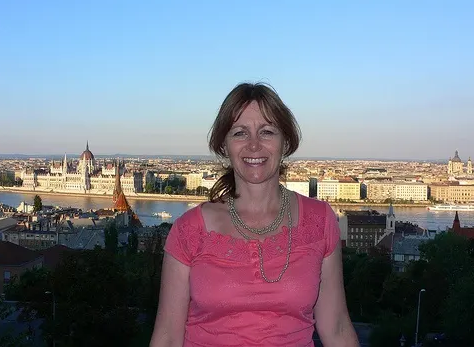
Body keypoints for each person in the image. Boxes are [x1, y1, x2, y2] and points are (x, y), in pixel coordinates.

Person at [150, 82, 359, 347]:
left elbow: (337, 327)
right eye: (240, 133)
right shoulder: (189, 230)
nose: (254, 145)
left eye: (267, 132)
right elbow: (168, 336)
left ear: (286, 142)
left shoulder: (320, 222)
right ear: (224, 146)